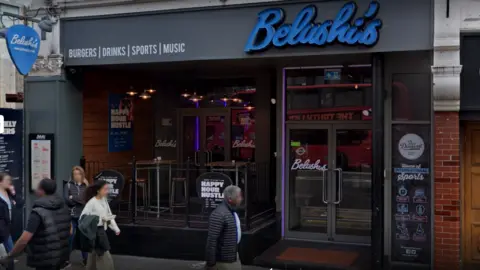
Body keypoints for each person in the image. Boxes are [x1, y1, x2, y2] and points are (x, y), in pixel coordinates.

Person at [1, 178, 71, 270]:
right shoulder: (64, 207)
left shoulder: (38, 212)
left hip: (45, 260)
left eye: (37, 188)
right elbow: (70, 230)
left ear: (42, 191)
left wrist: (9, 256)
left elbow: (24, 240)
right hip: (61, 257)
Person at [80, 180, 120, 270]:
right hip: (96, 231)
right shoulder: (92, 203)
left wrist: (115, 229)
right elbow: (82, 218)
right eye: (105, 189)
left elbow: (109, 215)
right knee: (104, 254)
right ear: (98, 190)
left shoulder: (104, 200)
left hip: (100, 230)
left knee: (93, 254)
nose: (107, 191)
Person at [205, 185, 243, 270]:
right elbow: (212, 241)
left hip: (233, 257)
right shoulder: (219, 214)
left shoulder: (232, 212)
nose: (241, 199)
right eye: (239, 196)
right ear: (230, 199)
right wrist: (211, 265)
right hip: (224, 263)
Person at [64, 166, 89, 267]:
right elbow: (67, 200)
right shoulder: (68, 186)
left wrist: (73, 197)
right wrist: (78, 200)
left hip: (83, 216)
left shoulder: (86, 186)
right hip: (72, 216)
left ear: (82, 175)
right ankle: (66, 260)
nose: (76, 176)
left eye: (78, 174)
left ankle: (85, 259)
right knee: (70, 238)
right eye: (75, 174)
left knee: (84, 238)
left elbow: (86, 200)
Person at [0, 173, 14, 270]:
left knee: (10, 253)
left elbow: (19, 202)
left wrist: (14, 193)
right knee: (11, 252)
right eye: (7, 180)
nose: (9, 182)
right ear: (0, 182)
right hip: (2, 229)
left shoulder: (8, 193)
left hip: (7, 227)